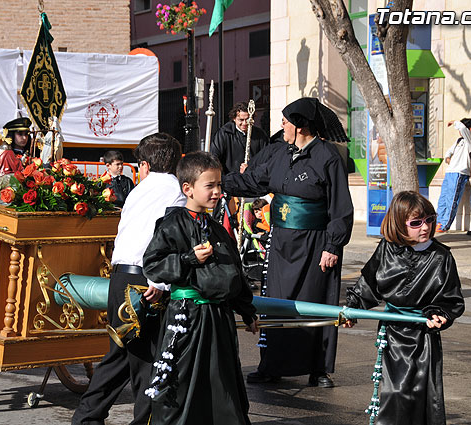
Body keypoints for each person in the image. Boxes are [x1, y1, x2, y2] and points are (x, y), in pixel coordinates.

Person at [223, 97, 354, 386]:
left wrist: (333, 246)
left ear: (301, 125)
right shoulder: (280, 153)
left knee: (313, 303)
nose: (281, 125)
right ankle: (272, 365)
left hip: (315, 243)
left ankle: (317, 369)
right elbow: (254, 181)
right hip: (281, 241)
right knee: (277, 302)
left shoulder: (328, 157)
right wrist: (218, 181)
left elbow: (341, 208)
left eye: (286, 121)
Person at [72, 133, 186, 425]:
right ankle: (90, 417)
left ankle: (92, 417)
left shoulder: (137, 190)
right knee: (142, 358)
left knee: (131, 357)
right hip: (147, 281)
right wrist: (160, 281)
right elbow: (167, 239)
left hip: (122, 276)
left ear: (144, 165)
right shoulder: (176, 193)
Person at [142, 151, 258, 425]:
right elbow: (153, 264)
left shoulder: (216, 228)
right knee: (180, 383)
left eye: (219, 185)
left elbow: (235, 273)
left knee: (222, 381)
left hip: (218, 320)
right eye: (210, 186)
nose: (217, 192)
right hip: (188, 318)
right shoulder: (172, 224)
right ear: (188, 189)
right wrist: (188, 259)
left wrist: (247, 310)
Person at [344, 191, 465, 425]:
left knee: (418, 394)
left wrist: (440, 314)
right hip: (391, 334)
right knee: (394, 392)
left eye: (429, 220)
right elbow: (369, 284)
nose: (425, 227)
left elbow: (451, 299)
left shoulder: (441, 256)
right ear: (400, 223)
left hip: (422, 337)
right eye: (416, 222)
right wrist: (352, 308)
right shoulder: (387, 248)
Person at [435, 118, 471, 233]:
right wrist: (448, 157)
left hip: (460, 173)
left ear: (470, 129)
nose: (459, 130)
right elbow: (449, 151)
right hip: (450, 172)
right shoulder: (459, 140)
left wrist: (455, 122)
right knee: (443, 198)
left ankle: (444, 224)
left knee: (452, 199)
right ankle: (437, 221)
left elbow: (462, 128)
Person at [210, 101, 270, 175]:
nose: (244, 123)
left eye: (247, 119)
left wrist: (252, 170)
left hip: (253, 180)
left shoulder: (260, 135)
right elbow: (214, 157)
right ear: (234, 119)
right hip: (230, 181)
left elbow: (266, 159)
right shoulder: (224, 134)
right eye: (241, 120)